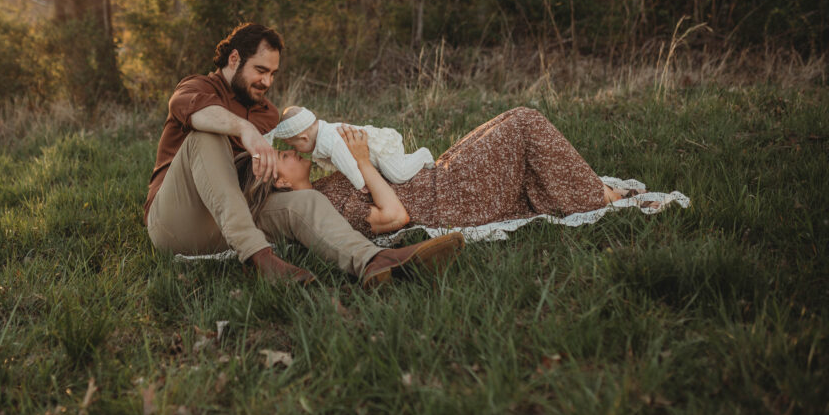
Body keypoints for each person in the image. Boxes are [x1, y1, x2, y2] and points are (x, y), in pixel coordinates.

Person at [143, 22, 465, 289]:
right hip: (177, 220)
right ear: (234, 59)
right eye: (260, 70)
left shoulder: (267, 113)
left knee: (305, 202)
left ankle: (373, 262)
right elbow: (199, 116)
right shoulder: (197, 88)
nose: (267, 81)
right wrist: (244, 130)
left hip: (234, 221)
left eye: (273, 73)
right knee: (207, 136)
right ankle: (260, 260)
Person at [240, 107, 644, 238]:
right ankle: (595, 196)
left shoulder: (324, 181)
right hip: (446, 198)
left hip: (437, 178)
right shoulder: (319, 206)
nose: (288, 151)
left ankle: (587, 188)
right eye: (282, 155)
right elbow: (395, 217)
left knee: (510, 120)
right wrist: (362, 160)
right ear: (280, 180)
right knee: (523, 122)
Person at [271, 105, 435, 191]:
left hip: (380, 148)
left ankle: (423, 155)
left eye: (294, 145)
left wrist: (360, 184)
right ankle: (406, 159)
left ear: (304, 138)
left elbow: (347, 164)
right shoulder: (322, 134)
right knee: (389, 171)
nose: (296, 150)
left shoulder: (328, 140)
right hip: (373, 155)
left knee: (398, 176)